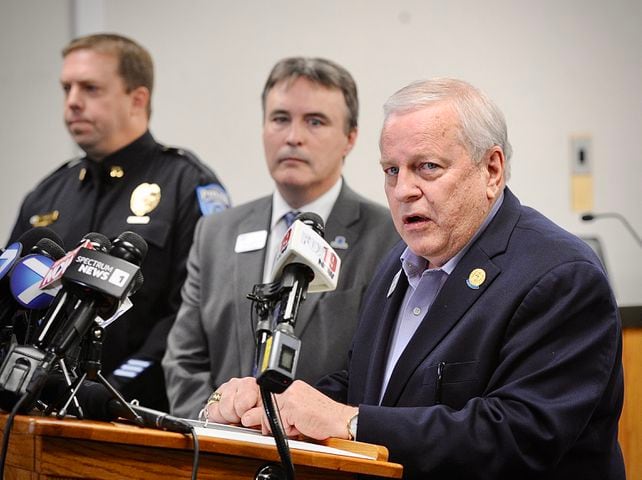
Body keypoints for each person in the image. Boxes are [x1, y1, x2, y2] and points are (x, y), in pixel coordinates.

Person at [206, 78, 624, 479]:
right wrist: (274, 407)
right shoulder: (399, 263)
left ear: (492, 170)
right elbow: (365, 388)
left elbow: (517, 435)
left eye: (426, 167)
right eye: (391, 170)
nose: (404, 189)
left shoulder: (561, 276)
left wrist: (351, 422)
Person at [162, 57, 399, 419]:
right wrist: (215, 417)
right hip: (220, 451)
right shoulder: (216, 232)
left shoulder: (388, 236)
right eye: (280, 119)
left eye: (315, 121)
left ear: (350, 138)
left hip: (323, 458)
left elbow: (381, 371)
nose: (293, 137)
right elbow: (184, 360)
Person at [8, 33, 229, 410]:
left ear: (137, 99)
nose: (73, 101)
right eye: (67, 88)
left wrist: (110, 389)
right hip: (32, 406)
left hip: (128, 407)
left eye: (90, 88)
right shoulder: (48, 192)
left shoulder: (185, 183)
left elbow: (190, 316)